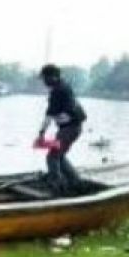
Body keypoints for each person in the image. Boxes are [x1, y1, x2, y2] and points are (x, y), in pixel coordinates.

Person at [36, 64, 87, 195]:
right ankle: (76, 182)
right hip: (71, 128)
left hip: (69, 129)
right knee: (60, 156)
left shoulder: (58, 91)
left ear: (53, 77)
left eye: (45, 78)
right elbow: (54, 113)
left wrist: (41, 134)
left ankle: (58, 187)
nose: (44, 82)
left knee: (52, 157)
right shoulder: (63, 87)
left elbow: (49, 115)